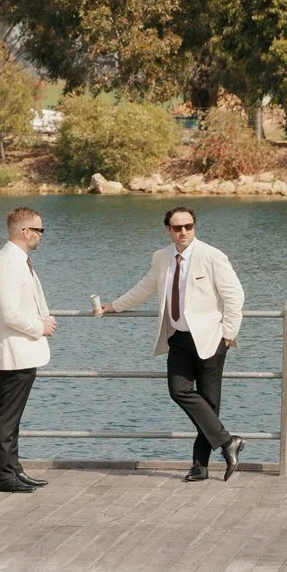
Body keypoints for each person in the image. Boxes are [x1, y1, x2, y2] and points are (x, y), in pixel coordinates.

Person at [93, 205, 247, 481]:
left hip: (212, 339)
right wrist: (114, 306)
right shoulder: (161, 258)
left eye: (188, 226)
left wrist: (228, 334)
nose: (183, 231)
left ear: (194, 227)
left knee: (209, 403)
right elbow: (145, 288)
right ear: (168, 230)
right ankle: (227, 442)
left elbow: (235, 295)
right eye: (177, 228)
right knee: (179, 390)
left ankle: (200, 466)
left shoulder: (212, 256)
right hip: (178, 338)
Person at [0, 206, 56, 493]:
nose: (41, 236)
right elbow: (9, 313)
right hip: (14, 350)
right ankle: (3, 476)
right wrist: (39, 326)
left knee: (13, 415)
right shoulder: (9, 262)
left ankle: (14, 469)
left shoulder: (19, 260)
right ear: (25, 231)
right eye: (39, 230)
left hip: (23, 350)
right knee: (7, 415)